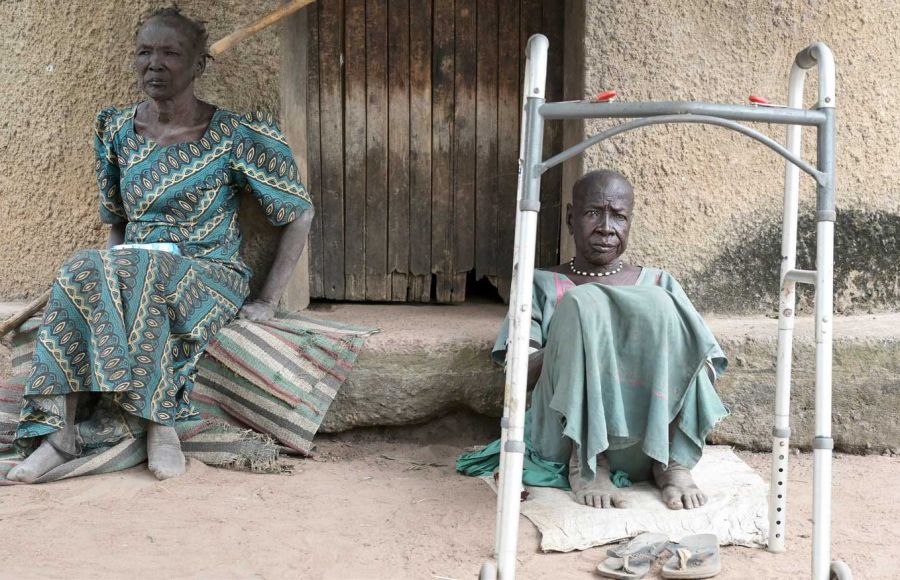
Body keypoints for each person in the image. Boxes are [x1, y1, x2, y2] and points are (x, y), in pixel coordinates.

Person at [7, 8, 314, 483]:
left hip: (208, 271)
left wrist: (269, 301)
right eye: (145, 52)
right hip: (135, 265)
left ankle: (159, 422)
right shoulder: (116, 130)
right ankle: (59, 434)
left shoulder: (235, 135)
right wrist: (104, 274)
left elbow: (298, 213)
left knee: (140, 274)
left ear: (198, 65)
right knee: (82, 267)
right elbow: (117, 224)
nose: (155, 64)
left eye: (171, 53)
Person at [459, 169, 728, 511]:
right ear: (571, 219)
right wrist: (574, 341)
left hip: (648, 441)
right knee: (581, 304)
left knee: (657, 303)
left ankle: (671, 465)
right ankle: (590, 463)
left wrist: (649, 355)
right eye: (592, 213)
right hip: (564, 437)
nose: (605, 226)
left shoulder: (660, 284)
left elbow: (705, 370)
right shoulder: (540, 283)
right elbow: (518, 377)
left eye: (618, 215)